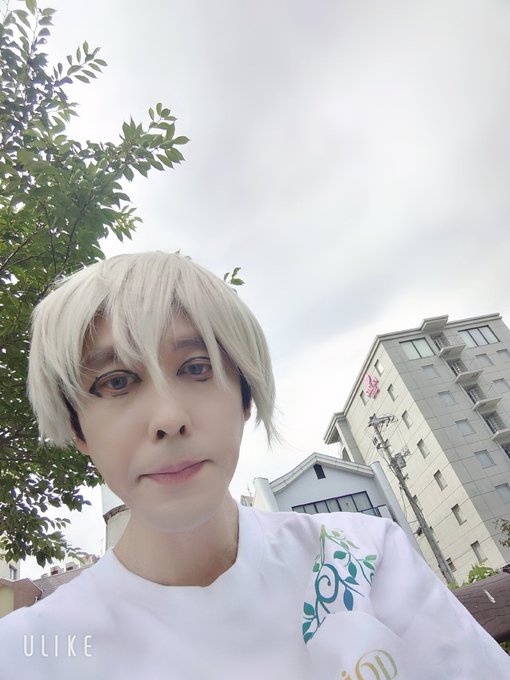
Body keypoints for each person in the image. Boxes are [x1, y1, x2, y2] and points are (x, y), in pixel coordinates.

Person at [0, 251, 508, 680]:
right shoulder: (29, 651)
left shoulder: (364, 557)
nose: (169, 419)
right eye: (116, 382)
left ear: (246, 396)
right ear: (77, 428)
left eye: (196, 367)